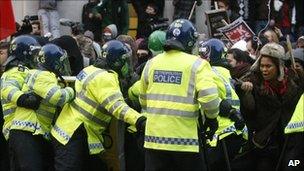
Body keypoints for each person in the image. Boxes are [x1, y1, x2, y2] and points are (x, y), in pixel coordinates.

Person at [138, 19, 220, 170]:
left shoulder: (151, 63)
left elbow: (143, 100)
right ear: (190, 42)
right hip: (185, 143)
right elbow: (210, 98)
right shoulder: (198, 64)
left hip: (154, 140)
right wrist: (212, 118)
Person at [51, 40, 146, 170]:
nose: (127, 65)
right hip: (75, 135)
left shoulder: (90, 70)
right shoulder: (106, 78)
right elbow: (116, 106)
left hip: (73, 130)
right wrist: (139, 120)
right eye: (125, 60)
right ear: (117, 61)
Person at [237, 42, 304, 170]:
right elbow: (249, 111)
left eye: (268, 66)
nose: (264, 70)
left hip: (290, 142)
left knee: (293, 166)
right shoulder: (252, 82)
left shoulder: (294, 78)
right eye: (262, 66)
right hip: (265, 144)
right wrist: (246, 94)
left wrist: (301, 76)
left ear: (279, 66)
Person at [199, 38, 247, 171]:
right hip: (235, 131)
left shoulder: (207, 72)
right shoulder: (225, 73)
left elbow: (210, 97)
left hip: (218, 134)